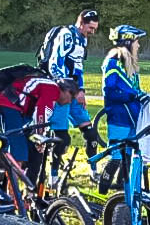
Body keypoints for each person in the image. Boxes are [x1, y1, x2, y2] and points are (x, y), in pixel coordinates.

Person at [44, 9, 105, 179]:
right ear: (81, 22)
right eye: (90, 28)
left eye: (94, 29)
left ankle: (93, 172)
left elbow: (78, 67)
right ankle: (53, 177)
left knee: (91, 134)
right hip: (61, 94)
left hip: (74, 91)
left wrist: (81, 90)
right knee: (61, 138)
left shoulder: (82, 40)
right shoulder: (66, 35)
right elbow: (55, 64)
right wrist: (72, 89)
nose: (92, 32)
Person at [0, 69, 75, 188]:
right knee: (18, 152)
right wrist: (40, 138)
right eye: (72, 97)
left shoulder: (49, 87)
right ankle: (11, 195)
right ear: (66, 91)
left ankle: (26, 191)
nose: (69, 102)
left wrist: (37, 139)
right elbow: (41, 114)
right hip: (7, 106)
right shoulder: (53, 89)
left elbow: (39, 118)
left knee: (32, 151)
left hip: (12, 108)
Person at [99, 24, 149, 190]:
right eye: (136, 41)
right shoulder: (113, 63)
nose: (138, 45)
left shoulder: (131, 65)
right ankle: (102, 190)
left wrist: (143, 96)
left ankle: (122, 191)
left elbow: (134, 89)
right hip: (119, 117)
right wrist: (131, 96)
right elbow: (110, 92)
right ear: (128, 42)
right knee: (116, 157)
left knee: (128, 157)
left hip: (132, 119)